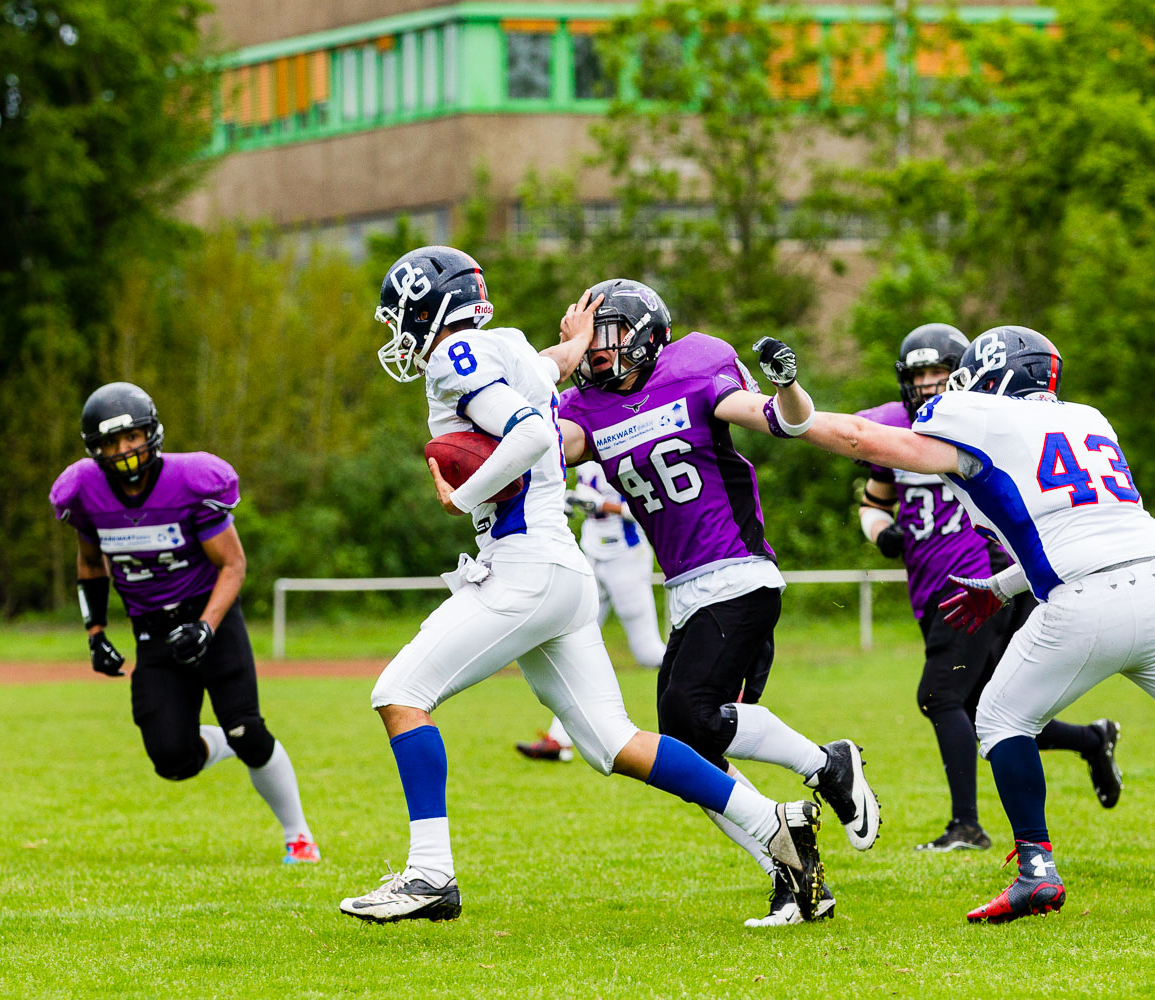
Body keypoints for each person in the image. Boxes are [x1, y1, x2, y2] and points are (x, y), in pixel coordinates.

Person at [793, 324, 1155, 922]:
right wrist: (1000, 585)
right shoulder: (1088, 419)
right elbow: (1087, 528)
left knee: (998, 719)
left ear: (996, 376)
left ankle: (1036, 872)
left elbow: (862, 436)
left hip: (1087, 600)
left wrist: (782, 411)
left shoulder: (980, 419)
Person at [339, 248, 824, 924]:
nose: (400, 333)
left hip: (523, 569)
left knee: (398, 694)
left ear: (433, 309)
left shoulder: (455, 358)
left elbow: (534, 430)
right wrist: (569, 348)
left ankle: (430, 875)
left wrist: (464, 495)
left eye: (404, 317)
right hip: (561, 573)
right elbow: (544, 375)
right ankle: (772, 821)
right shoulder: (503, 347)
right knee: (611, 743)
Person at [556, 278, 878, 927]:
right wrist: (549, 362)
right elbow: (537, 448)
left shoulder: (695, 366)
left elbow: (779, 420)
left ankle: (824, 763)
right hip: (684, 588)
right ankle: (793, 871)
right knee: (687, 754)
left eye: (608, 338)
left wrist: (788, 385)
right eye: (589, 343)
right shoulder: (585, 407)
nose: (598, 353)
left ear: (646, 336)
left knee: (686, 713)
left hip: (738, 571)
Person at [857, 323, 1121, 852]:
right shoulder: (891, 427)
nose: (929, 383)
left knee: (940, 696)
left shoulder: (986, 424)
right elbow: (874, 500)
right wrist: (882, 533)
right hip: (932, 582)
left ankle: (966, 826)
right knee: (992, 711)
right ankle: (1092, 739)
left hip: (983, 580)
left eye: (939, 372)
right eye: (919, 374)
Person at [49, 382, 319, 864]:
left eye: (131, 437)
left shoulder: (191, 480)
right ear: (95, 450)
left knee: (249, 732)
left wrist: (207, 627)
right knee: (172, 760)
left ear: (150, 434)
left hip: (209, 617)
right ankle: (224, 742)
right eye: (111, 443)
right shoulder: (84, 492)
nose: (124, 451)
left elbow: (233, 565)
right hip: (152, 630)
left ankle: (298, 836)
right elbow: (90, 564)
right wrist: (95, 634)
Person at [516, 461, 666, 763]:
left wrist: (604, 505)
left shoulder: (626, 438)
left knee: (649, 652)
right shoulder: (582, 433)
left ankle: (721, 683)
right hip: (589, 553)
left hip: (626, 555)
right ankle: (559, 740)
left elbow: (652, 506)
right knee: (571, 644)